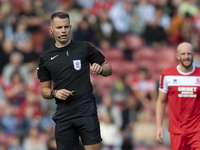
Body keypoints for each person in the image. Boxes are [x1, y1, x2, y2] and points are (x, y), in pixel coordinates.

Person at [37, 12, 113, 150]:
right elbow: (44, 91)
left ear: (70, 27)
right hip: (63, 114)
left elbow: (108, 68)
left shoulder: (83, 47)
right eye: (59, 27)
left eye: (66, 26)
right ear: (51, 30)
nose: (63, 30)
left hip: (86, 110)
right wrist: (55, 93)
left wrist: (101, 70)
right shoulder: (45, 58)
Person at [156, 42, 200, 150]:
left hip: (197, 130)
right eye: (183, 54)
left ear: (193, 55)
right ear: (177, 56)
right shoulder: (167, 74)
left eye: (189, 54)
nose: (186, 57)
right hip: (176, 131)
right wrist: (159, 126)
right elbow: (161, 102)